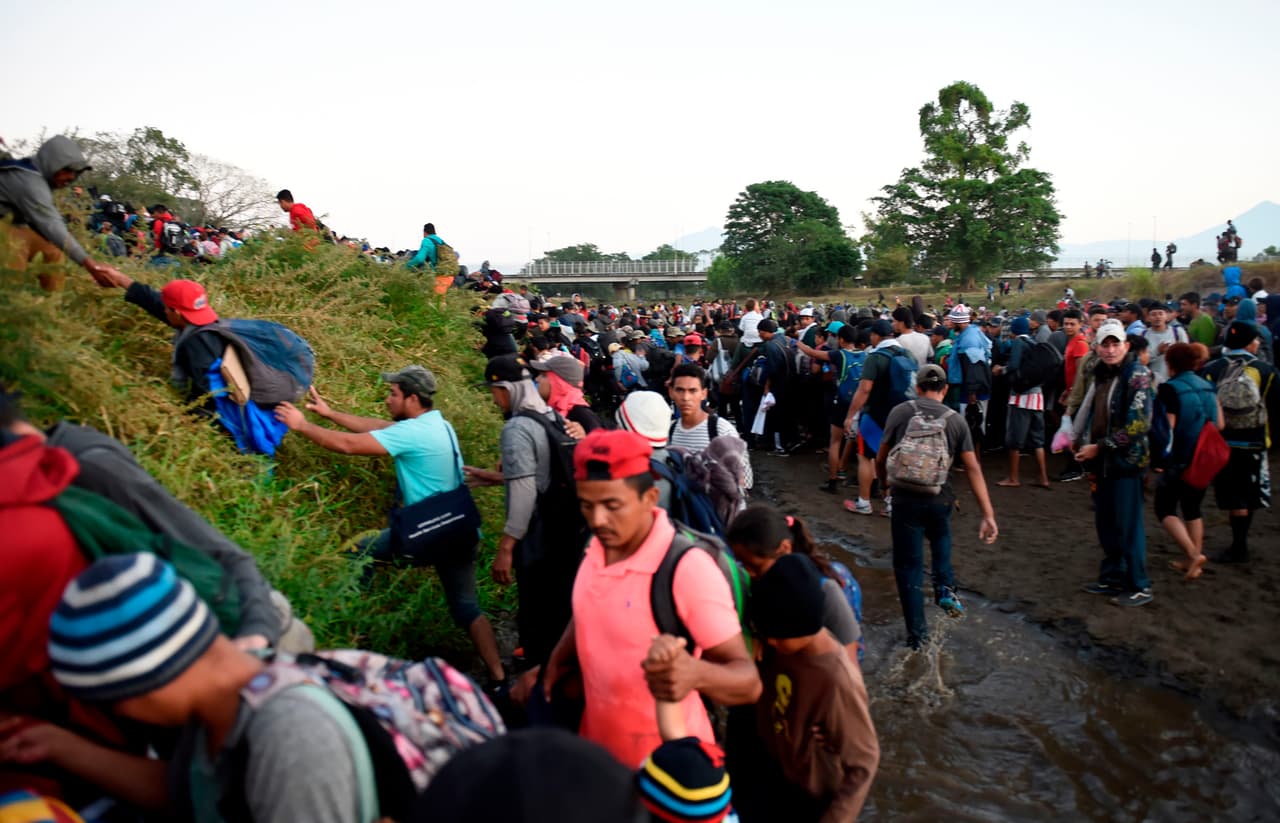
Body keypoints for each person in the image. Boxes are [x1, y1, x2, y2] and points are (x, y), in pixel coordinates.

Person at [33, 554, 369, 822]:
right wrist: (57, 745)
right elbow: (191, 795)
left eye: (113, 700)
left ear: (152, 678)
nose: (120, 712)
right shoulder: (224, 692)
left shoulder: (292, 736)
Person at [273, 367, 505, 688]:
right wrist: (329, 413)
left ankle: (356, 628)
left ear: (412, 398)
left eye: (393, 393)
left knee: (358, 551)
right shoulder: (437, 424)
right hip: (460, 531)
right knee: (467, 608)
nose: (387, 399)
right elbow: (377, 428)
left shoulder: (413, 433)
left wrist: (301, 426)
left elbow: (350, 446)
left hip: (428, 534)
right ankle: (499, 676)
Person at [542, 429, 761, 768]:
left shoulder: (685, 569)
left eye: (613, 506)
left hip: (666, 778)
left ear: (650, 498)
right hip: (597, 758)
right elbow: (592, 604)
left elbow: (747, 681)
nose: (598, 520)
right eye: (587, 505)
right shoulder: (595, 547)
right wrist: (558, 659)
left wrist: (694, 674)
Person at [467, 355, 584, 669]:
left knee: (536, 614)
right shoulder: (553, 417)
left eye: (494, 392)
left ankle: (539, 684)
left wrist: (507, 546)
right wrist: (496, 477)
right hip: (565, 533)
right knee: (559, 610)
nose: (494, 400)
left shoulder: (517, 428)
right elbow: (542, 475)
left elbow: (524, 491)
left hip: (537, 537)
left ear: (505, 389)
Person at [749, 555, 879, 821]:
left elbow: (864, 762)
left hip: (813, 796)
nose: (770, 642)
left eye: (775, 636)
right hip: (778, 775)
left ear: (803, 627)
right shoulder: (782, 646)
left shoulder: (835, 679)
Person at [877, 365, 998, 648]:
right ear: (944, 389)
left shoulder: (900, 412)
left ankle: (917, 636)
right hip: (940, 498)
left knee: (909, 567)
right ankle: (944, 587)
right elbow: (973, 469)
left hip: (905, 498)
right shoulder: (955, 421)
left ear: (917, 388)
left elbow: (881, 458)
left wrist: (885, 486)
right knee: (941, 535)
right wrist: (988, 514)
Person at [1071, 320, 1154, 607]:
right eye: (1105, 344)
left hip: (1125, 462)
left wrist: (1100, 447)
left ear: (1126, 345)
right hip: (1103, 462)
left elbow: (1138, 426)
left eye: (1115, 343)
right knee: (1106, 523)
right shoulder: (1102, 375)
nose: (1110, 349)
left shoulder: (1137, 376)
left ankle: (1139, 584)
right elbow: (1093, 411)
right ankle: (1112, 577)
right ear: (1097, 346)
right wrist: (1080, 439)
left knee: (1128, 525)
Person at [725, 505, 862, 662]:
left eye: (756, 566)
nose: (747, 572)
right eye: (741, 563)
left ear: (785, 548)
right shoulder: (755, 582)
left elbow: (850, 664)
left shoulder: (827, 589)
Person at [0, 135, 126, 288]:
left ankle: (51, 306)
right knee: (17, 246)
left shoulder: (35, 175)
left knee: (53, 252)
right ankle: (13, 303)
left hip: (11, 224)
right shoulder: (30, 182)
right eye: (66, 169)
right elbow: (52, 225)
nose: (70, 177)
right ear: (51, 163)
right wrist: (91, 265)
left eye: (75, 172)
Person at [1200, 322, 1278, 564]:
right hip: (1255, 440)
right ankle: (1240, 544)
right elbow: (1274, 408)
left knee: (1233, 494)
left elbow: (1206, 405)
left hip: (1222, 441)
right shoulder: (1266, 370)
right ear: (1249, 343)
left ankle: (1238, 545)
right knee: (1250, 492)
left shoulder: (1213, 368)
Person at [1154, 343, 1222, 580]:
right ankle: (1194, 561)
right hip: (1204, 457)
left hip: (1180, 457)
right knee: (1193, 508)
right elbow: (1220, 424)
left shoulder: (1169, 389)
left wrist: (1158, 456)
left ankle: (1193, 555)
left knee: (1164, 508)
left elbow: (1167, 429)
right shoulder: (1208, 386)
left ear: (1170, 364)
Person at [843, 320, 916, 516]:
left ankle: (864, 502)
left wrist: (850, 416)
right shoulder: (906, 354)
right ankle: (891, 503)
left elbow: (865, 388)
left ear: (875, 336)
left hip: (874, 415)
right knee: (894, 458)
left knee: (865, 457)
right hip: (901, 415)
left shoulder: (874, 357)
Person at [797, 325, 864, 493]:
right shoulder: (866, 355)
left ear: (841, 339)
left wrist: (798, 344)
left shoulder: (839, 355)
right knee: (860, 443)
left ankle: (833, 480)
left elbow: (813, 354)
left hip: (842, 402)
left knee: (835, 442)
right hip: (860, 403)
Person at [668, 363, 753, 494]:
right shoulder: (669, 430)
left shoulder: (721, 430)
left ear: (703, 394)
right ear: (671, 392)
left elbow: (742, 484)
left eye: (692, 391)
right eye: (680, 390)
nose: (686, 398)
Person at [995, 317, 1050, 488]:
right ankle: (1043, 477)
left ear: (1014, 330)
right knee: (1038, 440)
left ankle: (1013, 478)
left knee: (1015, 440)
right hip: (1037, 396)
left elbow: (1013, 366)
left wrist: (1000, 370)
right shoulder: (1033, 342)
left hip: (1021, 397)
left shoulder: (1018, 343)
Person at [1142, 303, 1188, 384]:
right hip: (1151, 381)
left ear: (1166, 316)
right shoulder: (1143, 335)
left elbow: (1187, 356)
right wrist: (1157, 352)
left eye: (1160, 313)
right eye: (1153, 314)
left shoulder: (1177, 332)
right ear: (1148, 318)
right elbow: (1140, 361)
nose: (1158, 317)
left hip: (1175, 380)